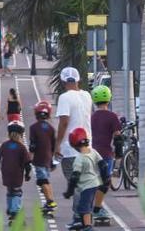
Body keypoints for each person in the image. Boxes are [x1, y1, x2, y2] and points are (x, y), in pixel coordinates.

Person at [53, 67, 92, 227]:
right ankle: (86, 217)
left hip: (70, 149)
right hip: (87, 147)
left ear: (63, 82)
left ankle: (78, 217)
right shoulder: (87, 96)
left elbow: (64, 122)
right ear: (78, 80)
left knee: (75, 184)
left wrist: (57, 145)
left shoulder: (64, 98)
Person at [63, 128, 107, 231]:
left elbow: (74, 177)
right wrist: (106, 179)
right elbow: (103, 165)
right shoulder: (93, 151)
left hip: (86, 186)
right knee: (87, 205)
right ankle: (84, 223)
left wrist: (69, 192)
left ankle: (87, 226)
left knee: (84, 207)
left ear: (73, 144)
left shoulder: (79, 158)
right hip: (96, 183)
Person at [89, 86, 121, 221]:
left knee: (93, 181)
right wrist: (118, 154)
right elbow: (118, 137)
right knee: (105, 182)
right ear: (108, 98)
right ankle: (97, 209)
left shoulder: (91, 117)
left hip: (91, 153)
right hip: (106, 153)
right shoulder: (113, 117)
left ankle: (94, 206)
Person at [0, 123, 32, 223]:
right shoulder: (21, 147)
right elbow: (27, 163)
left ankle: (10, 208)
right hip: (17, 173)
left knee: (10, 190)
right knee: (17, 192)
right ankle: (15, 213)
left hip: (6, 172)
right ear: (20, 135)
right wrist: (27, 174)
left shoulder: (4, 145)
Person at [28, 100, 57, 214]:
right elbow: (53, 145)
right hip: (48, 158)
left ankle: (50, 201)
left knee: (42, 180)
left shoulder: (33, 128)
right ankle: (49, 201)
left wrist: (29, 158)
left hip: (39, 158)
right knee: (46, 180)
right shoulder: (51, 128)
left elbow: (33, 145)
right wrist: (52, 161)